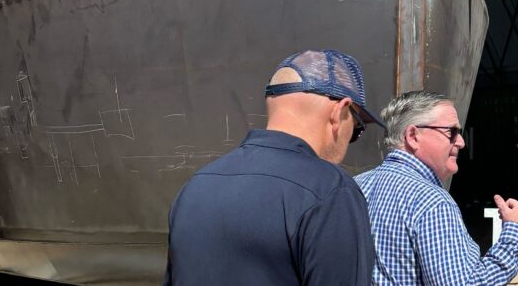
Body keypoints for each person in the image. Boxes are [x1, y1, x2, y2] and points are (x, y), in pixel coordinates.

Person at [165, 50, 384, 285]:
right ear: (339, 111)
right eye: (358, 127)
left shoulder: (197, 185)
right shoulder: (330, 191)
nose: (352, 136)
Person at [355, 91, 518, 285]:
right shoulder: (432, 202)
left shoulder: (356, 186)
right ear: (413, 136)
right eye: (452, 132)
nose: (461, 142)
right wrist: (515, 232)